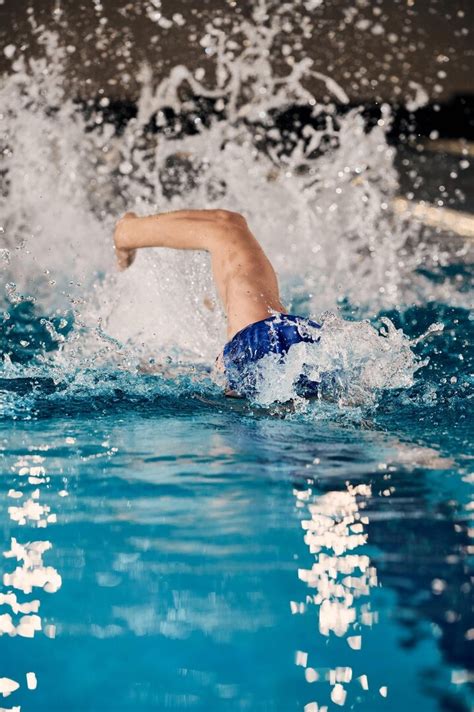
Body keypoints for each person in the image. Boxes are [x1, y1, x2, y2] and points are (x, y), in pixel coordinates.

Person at [114, 209, 322, 398]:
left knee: (227, 227)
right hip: (268, 382)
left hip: (268, 350)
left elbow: (224, 226)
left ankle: (127, 232)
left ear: (222, 361)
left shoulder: (270, 335)